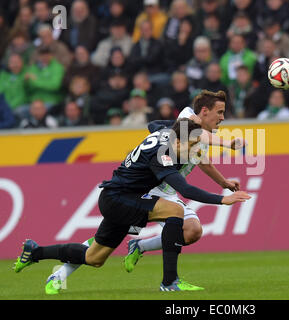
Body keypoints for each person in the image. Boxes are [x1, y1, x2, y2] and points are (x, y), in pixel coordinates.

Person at [42, 90, 247, 294]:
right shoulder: (187, 118)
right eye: (219, 112)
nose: (222, 117)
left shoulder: (201, 132)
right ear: (204, 111)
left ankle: (141, 247)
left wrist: (223, 181)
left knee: (192, 231)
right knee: (100, 246)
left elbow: (198, 156)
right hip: (148, 187)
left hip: (167, 187)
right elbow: (191, 135)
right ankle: (59, 274)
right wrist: (227, 144)